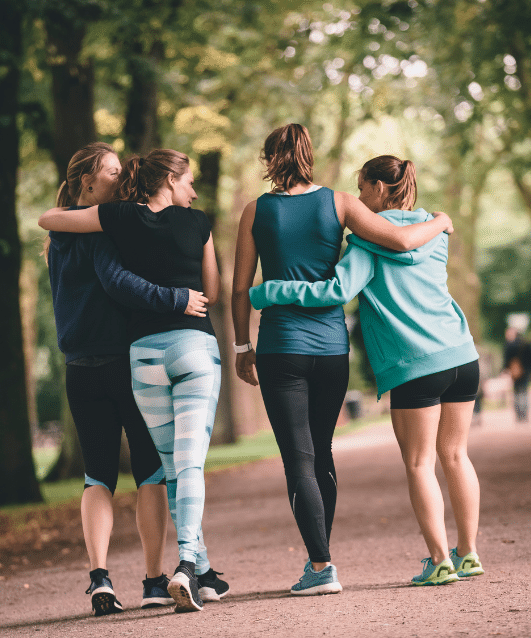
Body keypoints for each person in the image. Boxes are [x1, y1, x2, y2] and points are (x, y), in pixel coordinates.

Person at [231, 126, 454, 595]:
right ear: (310, 155)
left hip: (281, 347)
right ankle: (321, 558)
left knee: (299, 458)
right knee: (322, 452)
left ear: (270, 158)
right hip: (332, 350)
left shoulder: (256, 210)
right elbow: (398, 240)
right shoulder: (339, 203)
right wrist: (439, 221)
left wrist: (240, 348)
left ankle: (321, 563)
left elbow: (238, 289)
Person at [40, 147, 228, 613]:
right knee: (152, 470)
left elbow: (48, 221)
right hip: (123, 362)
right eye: (111, 172)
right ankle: (152, 579)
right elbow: (118, 282)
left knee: (96, 475)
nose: (120, 177)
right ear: (87, 182)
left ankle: (100, 578)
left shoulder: (61, 236)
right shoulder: (107, 226)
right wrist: (176, 298)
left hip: (78, 366)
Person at [503, 326, 531, 423]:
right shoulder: (527, 344)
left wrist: (505, 370)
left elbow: (506, 361)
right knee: (524, 393)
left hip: (515, 372)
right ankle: (524, 415)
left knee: (516, 393)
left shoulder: (509, 345)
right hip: (526, 371)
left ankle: (518, 415)